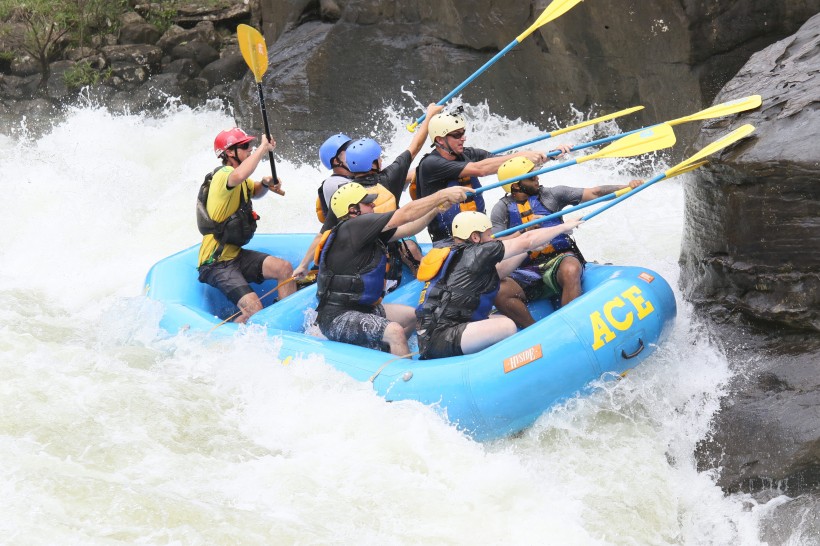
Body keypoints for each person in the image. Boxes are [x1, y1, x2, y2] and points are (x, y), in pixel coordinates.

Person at [293, 103, 444, 284]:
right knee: (409, 244)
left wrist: (303, 265)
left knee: (407, 241)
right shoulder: (344, 185)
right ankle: (425, 283)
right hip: (375, 244)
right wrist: (429, 116)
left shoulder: (350, 191)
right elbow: (414, 148)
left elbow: (322, 234)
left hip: (368, 243)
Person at [314, 182, 470, 356]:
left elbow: (409, 227)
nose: (373, 204)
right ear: (352, 210)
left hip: (362, 308)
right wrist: (441, 195)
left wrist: (436, 209)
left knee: (414, 315)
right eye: (367, 203)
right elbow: (405, 214)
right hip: (336, 317)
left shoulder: (364, 231)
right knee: (394, 331)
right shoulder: (354, 227)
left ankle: (391, 353)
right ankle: (402, 370)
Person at [490, 157, 644, 328]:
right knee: (499, 290)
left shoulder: (552, 194)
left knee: (571, 269)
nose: (538, 178)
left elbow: (595, 193)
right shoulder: (501, 209)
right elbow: (497, 245)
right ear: (516, 185)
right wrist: (525, 231)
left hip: (559, 258)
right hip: (526, 268)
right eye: (532, 177)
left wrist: (627, 187)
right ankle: (534, 332)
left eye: (536, 174)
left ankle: (570, 327)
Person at [415, 211, 582, 359]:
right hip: (443, 337)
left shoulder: (455, 253)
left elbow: (499, 272)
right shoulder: (478, 251)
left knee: (501, 319)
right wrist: (563, 227)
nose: (491, 239)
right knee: (507, 326)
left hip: (430, 334)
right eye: (489, 235)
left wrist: (528, 251)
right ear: (475, 237)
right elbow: (526, 240)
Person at [414, 110, 562, 244]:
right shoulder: (432, 164)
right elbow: (481, 169)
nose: (463, 138)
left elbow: (508, 164)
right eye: (457, 135)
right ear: (440, 140)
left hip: (481, 236)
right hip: (449, 242)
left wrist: (549, 155)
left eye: (463, 133)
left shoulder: (468, 154)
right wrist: (521, 154)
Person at [196, 128, 295, 323]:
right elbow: (241, 174)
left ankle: (285, 323)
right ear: (229, 153)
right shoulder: (224, 175)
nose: (250, 149)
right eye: (245, 146)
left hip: (235, 256)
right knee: (254, 307)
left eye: (250, 145)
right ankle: (232, 336)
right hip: (216, 263)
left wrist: (265, 184)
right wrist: (263, 148)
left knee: (284, 268)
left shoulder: (238, 179)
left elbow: (255, 191)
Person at [315, 133, 353, 223]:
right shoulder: (334, 183)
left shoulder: (353, 176)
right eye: (348, 151)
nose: (354, 153)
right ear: (336, 161)